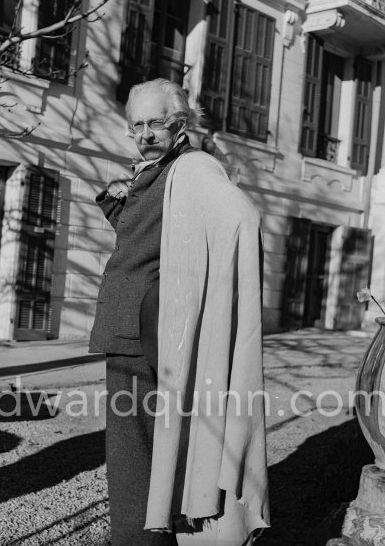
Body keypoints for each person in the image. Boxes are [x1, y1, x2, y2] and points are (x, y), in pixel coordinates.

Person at [89, 79, 269, 545]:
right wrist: (118, 199)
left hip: (151, 336)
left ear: (179, 123)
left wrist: (190, 293)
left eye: (155, 123)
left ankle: (141, 539)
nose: (145, 133)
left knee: (141, 456)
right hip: (128, 333)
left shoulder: (190, 169)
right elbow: (148, 242)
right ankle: (146, 533)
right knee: (144, 451)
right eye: (137, 125)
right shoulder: (154, 172)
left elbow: (240, 218)